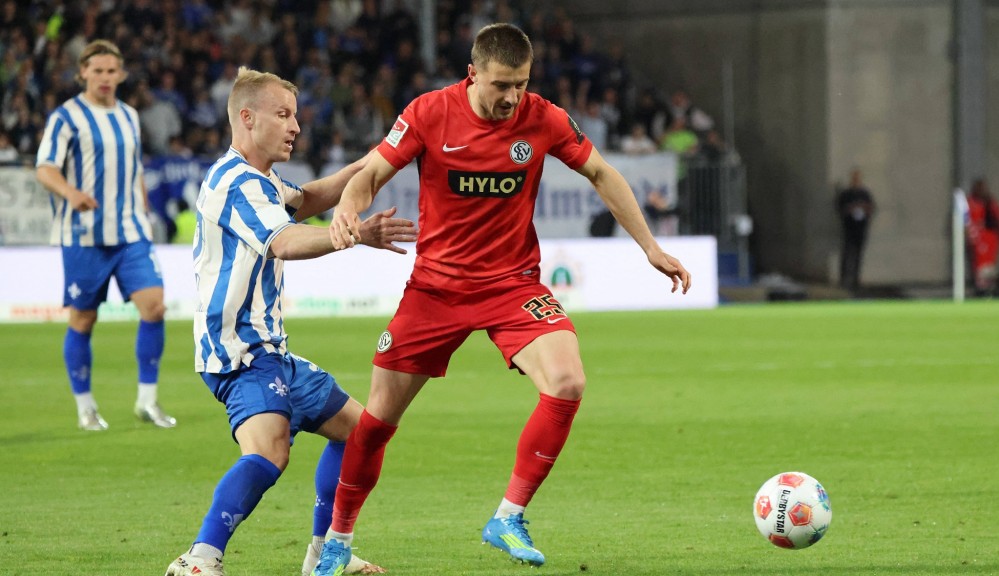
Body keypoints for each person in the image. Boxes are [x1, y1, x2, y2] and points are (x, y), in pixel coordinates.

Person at [313, 23, 691, 574]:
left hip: (512, 285)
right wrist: (348, 208)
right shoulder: (429, 113)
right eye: (500, 86)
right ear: (473, 75)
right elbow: (369, 172)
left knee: (568, 381)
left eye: (520, 84)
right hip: (435, 291)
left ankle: (508, 517)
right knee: (377, 420)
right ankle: (337, 544)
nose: (511, 97)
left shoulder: (543, 118)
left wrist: (650, 247)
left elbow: (602, 173)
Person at [165, 67, 417, 576]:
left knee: (359, 433)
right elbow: (283, 240)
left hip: (271, 351)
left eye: (295, 116)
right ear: (246, 117)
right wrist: (351, 235)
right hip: (238, 353)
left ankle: (324, 555)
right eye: (283, 115)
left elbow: (312, 199)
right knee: (269, 451)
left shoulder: (262, 182)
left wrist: (385, 155)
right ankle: (199, 560)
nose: (295, 126)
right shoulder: (232, 182)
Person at [35, 39, 176, 431]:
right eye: (97, 70)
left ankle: (147, 401)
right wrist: (71, 193)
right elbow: (45, 168)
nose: (105, 77)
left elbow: (132, 169)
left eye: (111, 71)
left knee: (154, 306)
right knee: (83, 319)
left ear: (122, 75)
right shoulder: (66, 117)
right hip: (83, 235)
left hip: (131, 232)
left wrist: (143, 207)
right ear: (82, 73)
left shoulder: (130, 115)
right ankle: (86, 407)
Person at [835, 168, 875, 292]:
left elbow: (871, 207)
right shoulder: (846, 194)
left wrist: (864, 208)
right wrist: (851, 209)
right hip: (849, 227)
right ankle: (844, 279)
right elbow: (840, 208)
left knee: (858, 254)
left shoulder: (864, 194)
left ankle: (856, 279)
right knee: (847, 253)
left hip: (861, 227)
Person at [966, 178, 999, 294]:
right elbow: (968, 222)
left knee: (988, 266)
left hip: (990, 238)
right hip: (978, 239)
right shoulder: (970, 203)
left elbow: (998, 221)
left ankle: (989, 289)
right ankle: (982, 289)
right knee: (979, 266)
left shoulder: (990, 203)